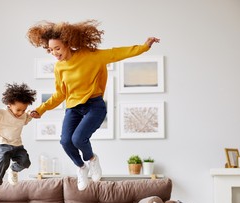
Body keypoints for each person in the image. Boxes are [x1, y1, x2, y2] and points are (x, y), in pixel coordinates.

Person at [27, 20, 160, 191]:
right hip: (74, 107)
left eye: (57, 48)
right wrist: (41, 109)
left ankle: (92, 159)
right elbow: (60, 94)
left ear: (67, 43)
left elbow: (116, 53)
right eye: (51, 50)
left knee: (78, 138)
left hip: (94, 105)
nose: (54, 53)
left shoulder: (91, 56)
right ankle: (81, 168)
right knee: (66, 141)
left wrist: (144, 47)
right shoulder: (59, 68)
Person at [0, 82, 36, 201]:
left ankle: (13, 170)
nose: (20, 113)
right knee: (3, 160)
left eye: (23, 110)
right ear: (9, 104)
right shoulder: (1, 114)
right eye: (18, 110)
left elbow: (26, 119)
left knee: (26, 162)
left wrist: (31, 114)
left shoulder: (23, 115)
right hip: (2, 143)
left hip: (17, 145)